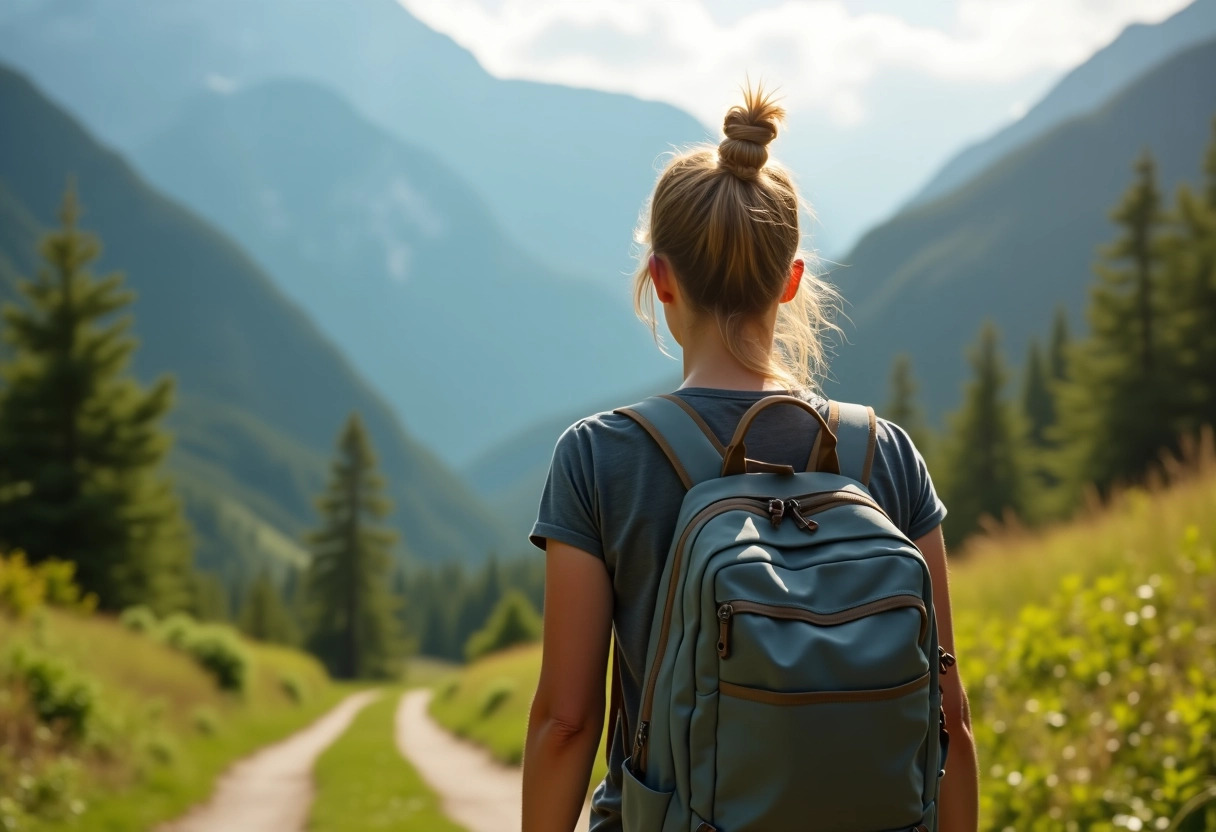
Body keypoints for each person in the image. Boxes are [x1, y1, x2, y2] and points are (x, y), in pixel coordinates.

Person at [521, 84, 979, 832]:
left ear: (660, 281)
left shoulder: (600, 457)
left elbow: (566, 721)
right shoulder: (884, 455)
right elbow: (948, 717)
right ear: (792, 281)